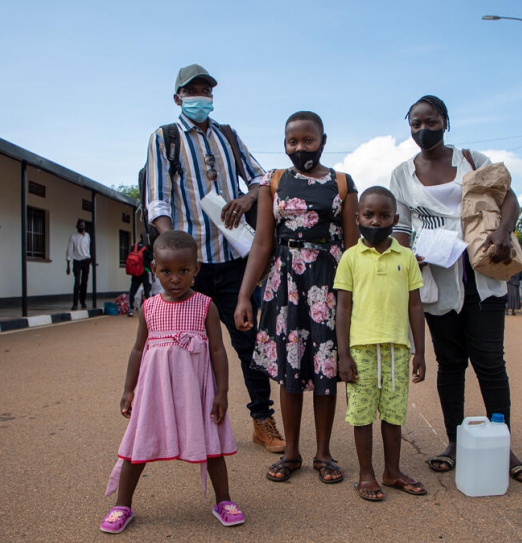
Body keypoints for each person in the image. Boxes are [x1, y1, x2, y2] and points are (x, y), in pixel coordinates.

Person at [389, 95, 522, 484]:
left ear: (446, 122)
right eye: (416, 123)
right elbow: (400, 227)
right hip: (437, 278)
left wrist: (503, 233)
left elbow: (510, 200)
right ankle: (455, 441)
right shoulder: (402, 174)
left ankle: (502, 445)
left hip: (482, 275)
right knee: (451, 364)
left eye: (432, 121)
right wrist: (408, 256)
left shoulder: (473, 160)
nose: (424, 129)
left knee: (490, 362)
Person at [146, 63, 284, 453]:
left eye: (206, 90)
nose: (201, 97)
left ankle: (262, 420)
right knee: (185, 345)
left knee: (249, 342)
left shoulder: (228, 135)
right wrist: (170, 243)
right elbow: (157, 197)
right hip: (191, 269)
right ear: (178, 98)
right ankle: (190, 425)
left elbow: (260, 176)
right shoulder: (165, 138)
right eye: (193, 91)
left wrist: (247, 198)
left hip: (233, 262)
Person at [233, 111, 359, 485]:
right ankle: (291, 453)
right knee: (289, 370)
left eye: (308, 140)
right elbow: (261, 243)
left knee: (324, 367)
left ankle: (324, 453)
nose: (300, 148)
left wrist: (354, 297)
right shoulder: (274, 182)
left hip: (327, 284)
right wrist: (244, 297)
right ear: (284, 144)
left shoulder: (341, 183)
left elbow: (352, 248)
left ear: (323, 140)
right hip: (284, 286)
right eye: (293, 142)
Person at [101, 231, 242, 533]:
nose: (175, 279)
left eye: (183, 271)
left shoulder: (206, 306)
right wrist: (129, 389)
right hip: (155, 392)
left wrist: (222, 391)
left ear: (196, 269)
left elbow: (218, 350)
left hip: (197, 393)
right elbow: (138, 349)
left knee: (211, 444)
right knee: (137, 444)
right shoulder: (149, 308)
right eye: (166, 272)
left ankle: (224, 501)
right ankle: (122, 505)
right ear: (154, 270)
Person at [335, 186, 427, 502]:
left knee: (393, 413)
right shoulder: (350, 257)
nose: (376, 222)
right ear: (358, 217)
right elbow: (343, 308)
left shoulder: (407, 256)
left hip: (397, 350)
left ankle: (392, 471)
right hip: (360, 350)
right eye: (369, 215)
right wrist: (343, 354)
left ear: (395, 219)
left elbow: (416, 305)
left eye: (384, 215)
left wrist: (421, 351)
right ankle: (366, 474)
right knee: (361, 415)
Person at [126, 230, 156, 318]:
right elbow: (151, 261)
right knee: (147, 291)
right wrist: (153, 274)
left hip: (135, 272)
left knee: (133, 290)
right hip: (145, 272)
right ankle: (148, 310)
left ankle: (130, 309)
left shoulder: (133, 247)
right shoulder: (148, 248)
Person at [66, 219, 91, 310]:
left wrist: (90, 260)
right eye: (80, 226)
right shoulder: (73, 237)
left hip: (86, 261)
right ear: (77, 226)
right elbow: (69, 251)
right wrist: (68, 265)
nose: (81, 227)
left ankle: (83, 301)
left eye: (83, 225)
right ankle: (75, 303)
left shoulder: (87, 236)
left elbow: (88, 249)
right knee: (77, 283)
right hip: (77, 261)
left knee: (84, 283)